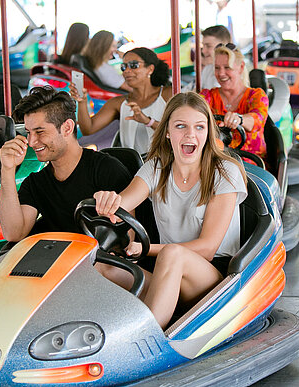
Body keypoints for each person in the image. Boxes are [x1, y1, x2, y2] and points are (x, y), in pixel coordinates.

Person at [93, 92, 248, 329]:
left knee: (172, 254)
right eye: (180, 126)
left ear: (208, 133)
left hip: (212, 281)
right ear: (167, 132)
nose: (190, 134)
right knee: (104, 265)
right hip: (167, 270)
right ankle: (101, 334)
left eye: (199, 127)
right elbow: (125, 201)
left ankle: (147, 339)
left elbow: (207, 248)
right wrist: (109, 202)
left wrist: (143, 248)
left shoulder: (224, 172)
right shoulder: (156, 168)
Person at [0, 85, 132, 241]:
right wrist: (7, 169)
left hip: (101, 262)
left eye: (39, 132)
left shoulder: (107, 170)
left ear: (67, 128)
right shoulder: (36, 183)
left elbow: (129, 237)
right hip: (57, 261)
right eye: (28, 132)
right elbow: (14, 233)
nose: (31, 142)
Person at [70, 47, 172, 155]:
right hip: (133, 167)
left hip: (163, 163)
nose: (127, 71)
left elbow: (180, 131)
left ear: (150, 69)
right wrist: (81, 102)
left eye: (134, 65)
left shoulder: (168, 95)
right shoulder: (119, 103)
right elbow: (88, 129)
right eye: (124, 67)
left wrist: (148, 121)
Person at [200, 44, 268, 158]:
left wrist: (239, 119)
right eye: (217, 68)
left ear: (241, 67)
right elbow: (193, 111)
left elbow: (257, 120)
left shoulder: (256, 95)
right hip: (216, 160)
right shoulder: (208, 96)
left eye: (227, 67)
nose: (221, 73)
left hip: (250, 162)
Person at [201, 25, 232, 90]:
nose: (203, 51)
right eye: (203, 46)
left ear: (223, 46)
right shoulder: (207, 70)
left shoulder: (235, 72)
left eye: (208, 46)